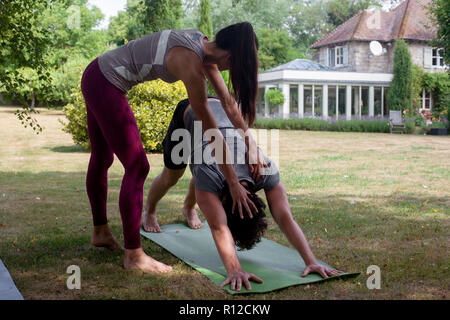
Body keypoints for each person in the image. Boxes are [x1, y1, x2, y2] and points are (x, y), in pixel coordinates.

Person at [81, 22, 266, 273]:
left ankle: (100, 231)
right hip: (105, 82)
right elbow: (212, 131)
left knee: (102, 158)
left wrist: (250, 143)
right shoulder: (190, 61)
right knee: (137, 165)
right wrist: (233, 182)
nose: (229, 70)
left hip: (97, 74)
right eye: (234, 65)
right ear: (230, 56)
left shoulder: (202, 47)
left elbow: (228, 103)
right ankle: (133, 255)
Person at [143, 97, 343, 291]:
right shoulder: (215, 173)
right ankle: (150, 211)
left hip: (215, 129)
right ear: (222, 201)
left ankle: (188, 207)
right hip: (190, 112)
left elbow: (285, 217)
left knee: (206, 177)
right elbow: (218, 226)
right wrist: (234, 270)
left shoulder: (264, 170)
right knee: (172, 176)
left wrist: (311, 261)